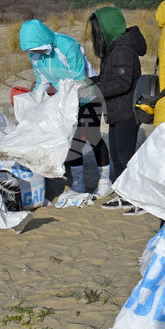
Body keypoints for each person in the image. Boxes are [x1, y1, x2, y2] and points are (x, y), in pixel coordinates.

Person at [18, 19, 110, 196]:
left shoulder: (66, 46)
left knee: (92, 135)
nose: (35, 52)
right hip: (64, 99)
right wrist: (33, 99)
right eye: (32, 50)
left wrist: (66, 101)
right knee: (70, 139)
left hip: (88, 94)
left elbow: (78, 77)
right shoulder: (34, 54)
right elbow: (42, 80)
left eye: (37, 48)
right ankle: (77, 183)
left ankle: (105, 180)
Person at [87, 7, 147, 214]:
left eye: (98, 31)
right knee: (117, 156)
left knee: (126, 156)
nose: (97, 36)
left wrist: (91, 90)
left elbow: (121, 83)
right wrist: (86, 82)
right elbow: (108, 80)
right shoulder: (115, 49)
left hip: (127, 112)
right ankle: (125, 195)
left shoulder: (122, 50)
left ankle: (137, 198)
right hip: (116, 111)